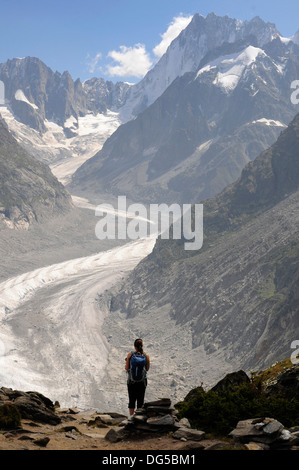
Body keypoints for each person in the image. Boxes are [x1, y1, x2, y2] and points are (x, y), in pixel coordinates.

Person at [125, 338, 150, 417]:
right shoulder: (146, 356)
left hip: (131, 382)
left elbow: (126, 368)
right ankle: (138, 419)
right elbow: (147, 369)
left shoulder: (130, 355)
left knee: (131, 401)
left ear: (134, 346)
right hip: (142, 382)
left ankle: (131, 419)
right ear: (142, 346)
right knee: (140, 401)